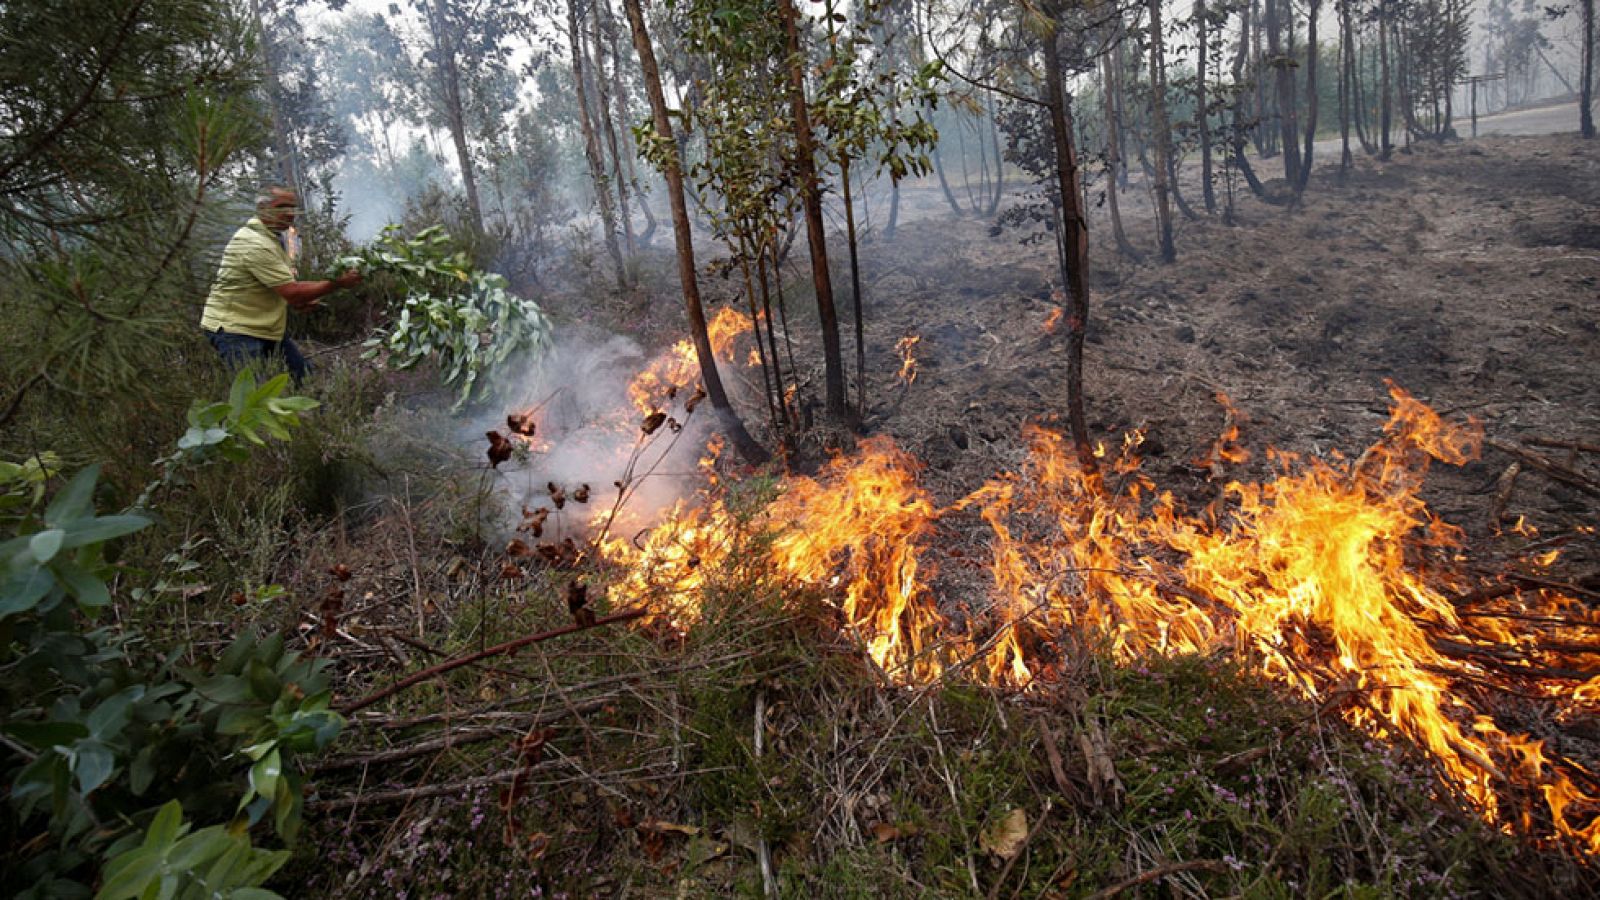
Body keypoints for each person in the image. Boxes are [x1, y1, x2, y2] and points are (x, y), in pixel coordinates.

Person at [200, 186, 361, 384]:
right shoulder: (254, 243)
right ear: (262, 209)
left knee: (304, 379)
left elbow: (282, 285)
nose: (289, 213)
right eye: (282, 207)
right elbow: (293, 292)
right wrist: (338, 283)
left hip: (264, 327)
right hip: (236, 330)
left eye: (293, 207)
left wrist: (298, 300)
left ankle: (314, 402)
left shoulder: (272, 237)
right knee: (253, 393)